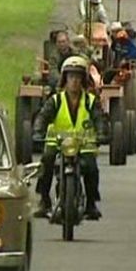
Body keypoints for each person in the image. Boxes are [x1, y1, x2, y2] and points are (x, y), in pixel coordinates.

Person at [32, 56, 109, 220]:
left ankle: (91, 204)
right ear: (64, 79)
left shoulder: (91, 101)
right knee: (46, 161)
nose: (74, 81)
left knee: (92, 168)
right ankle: (44, 200)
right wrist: (38, 132)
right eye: (71, 76)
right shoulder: (56, 100)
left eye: (78, 77)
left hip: (84, 144)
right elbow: (42, 117)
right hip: (58, 142)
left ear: (83, 79)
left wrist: (102, 133)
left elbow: (99, 119)